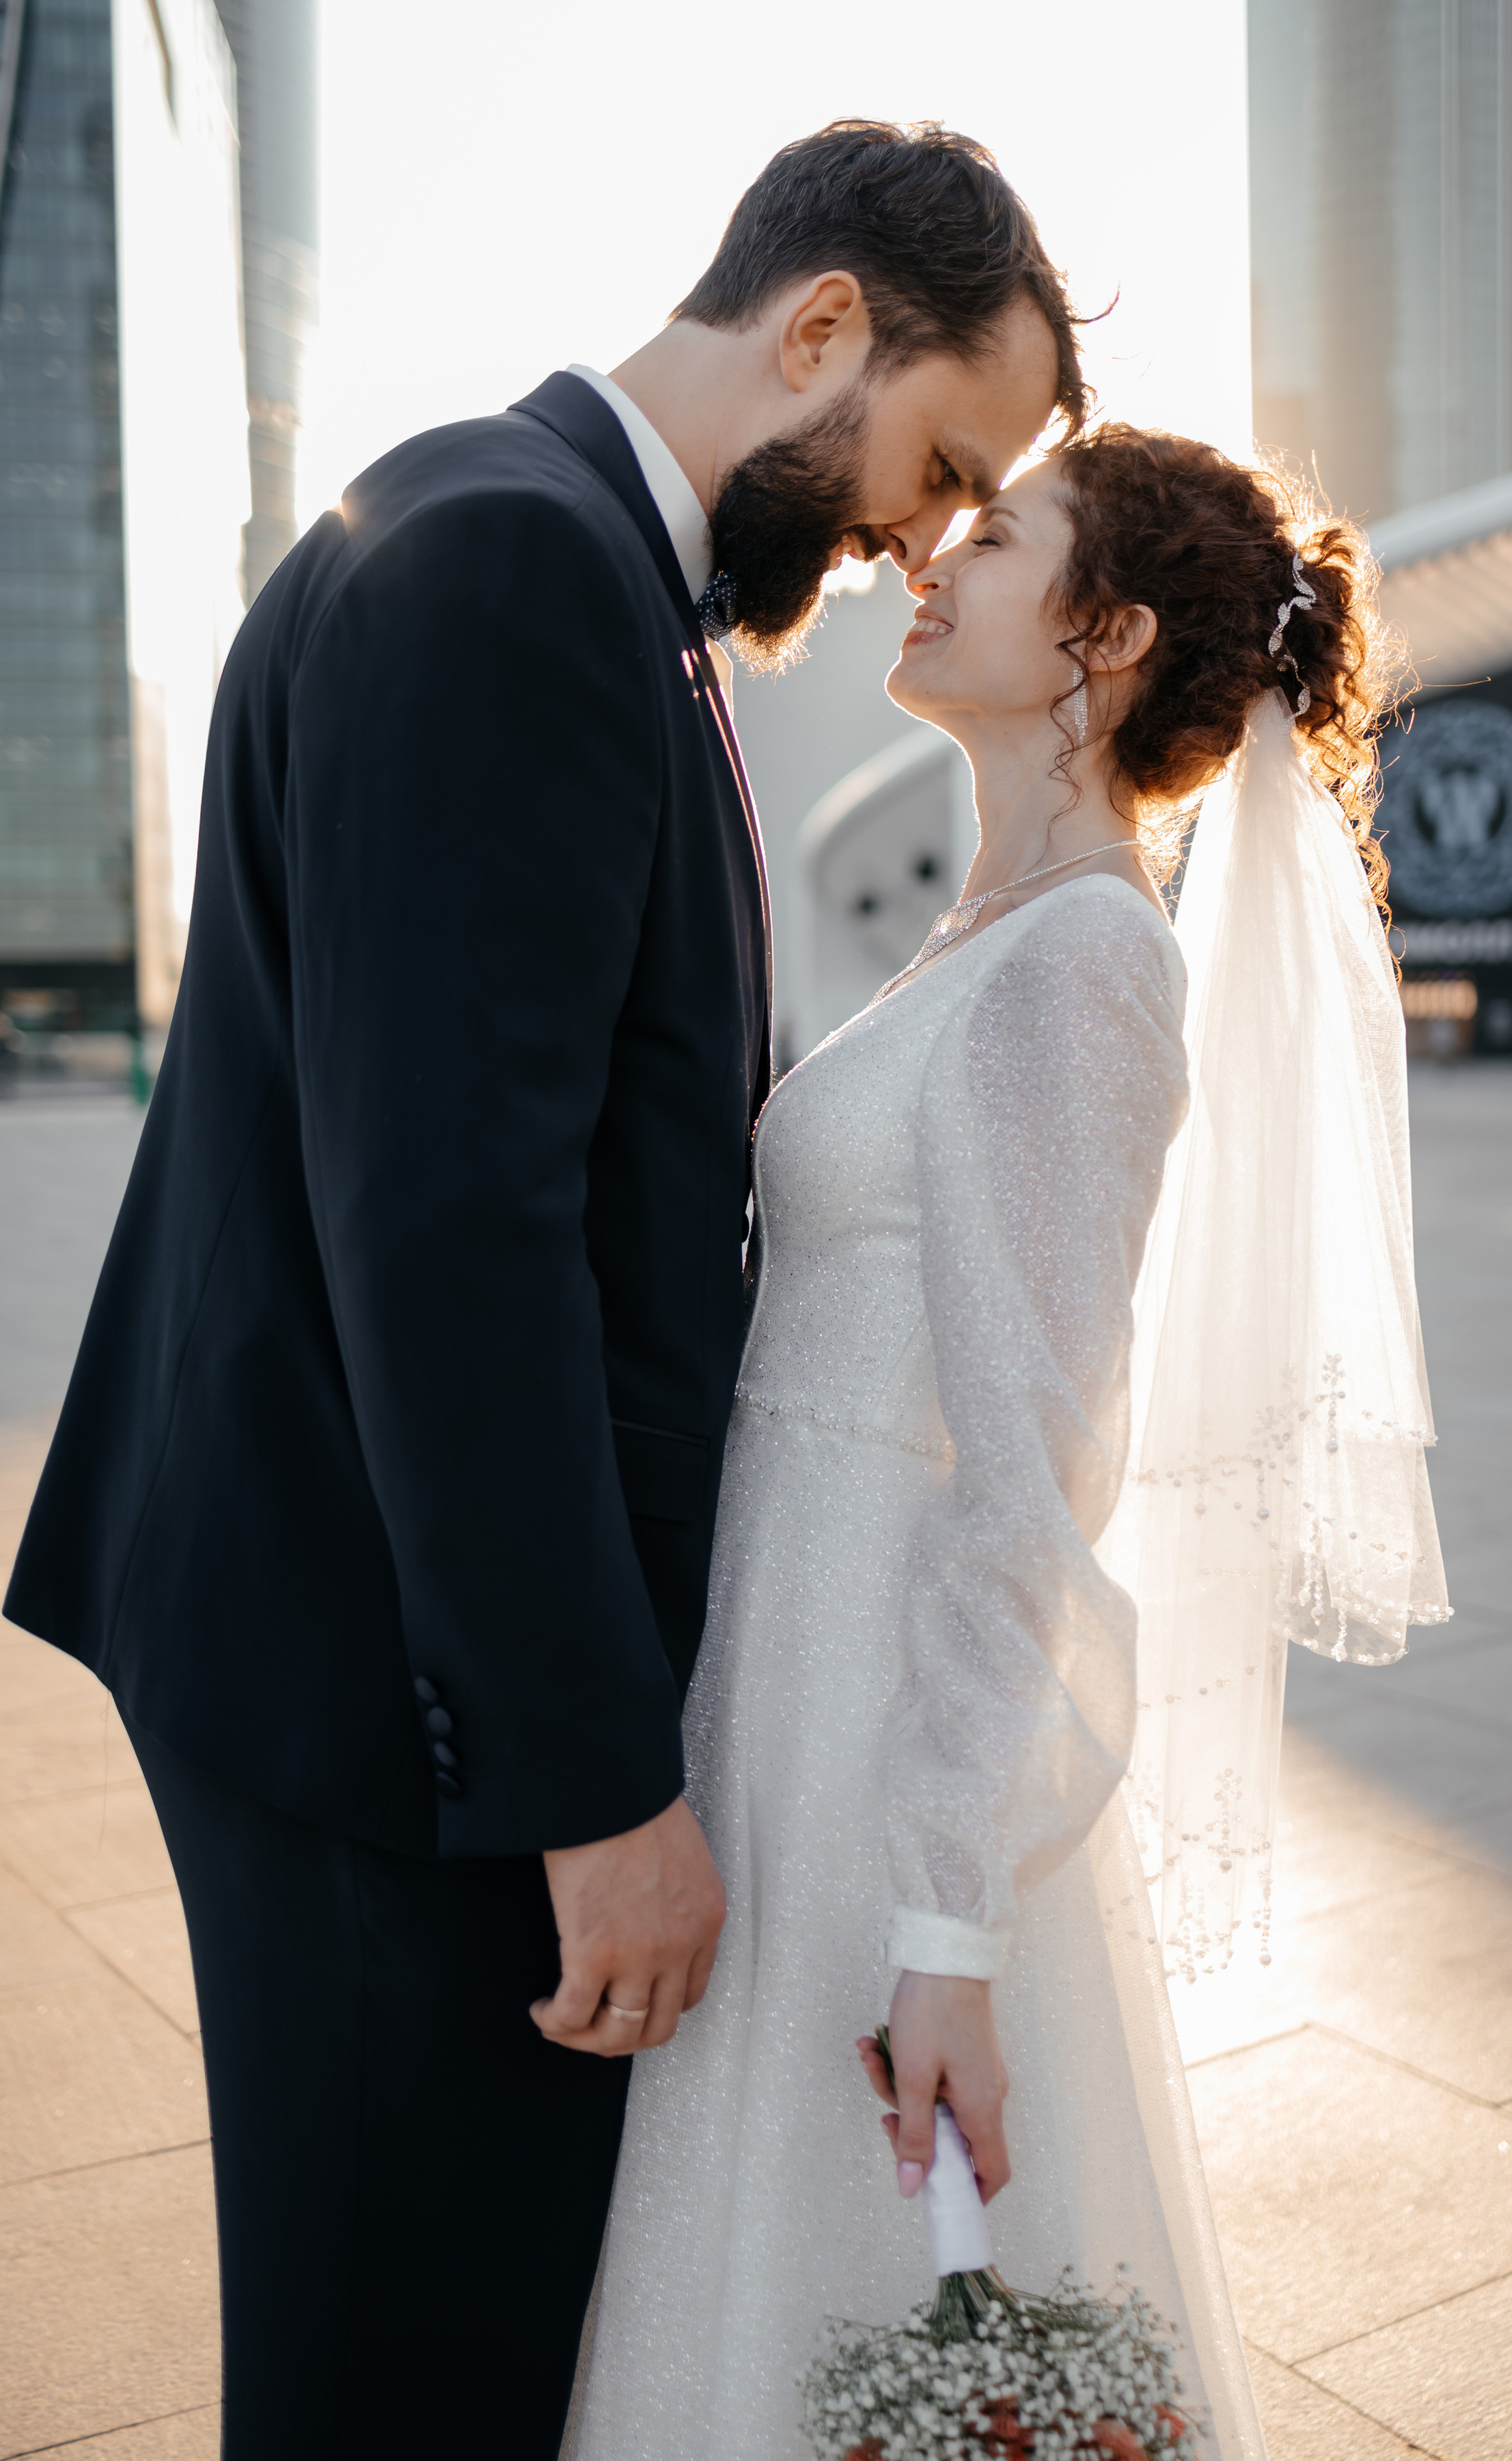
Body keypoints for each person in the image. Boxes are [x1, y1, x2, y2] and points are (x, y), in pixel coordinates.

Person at [2, 121, 1081, 2460]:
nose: (924, 533)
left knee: (415, 2345)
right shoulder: (510, 569)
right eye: (937, 460)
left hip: (360, 1641)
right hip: (401, 1705)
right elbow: (455, 1232)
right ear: (819, 328)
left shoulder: (548, 551)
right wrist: (593, 1791)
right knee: (407, 2378)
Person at [566, 429, 1447, 2458]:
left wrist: (945, 1922)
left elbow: (1027, 1472)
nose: (923, 564)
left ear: (1107, 637)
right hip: (789, 1692)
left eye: (995, 539)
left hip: (883, 1746)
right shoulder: (987, 937)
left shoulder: (1084, 966)